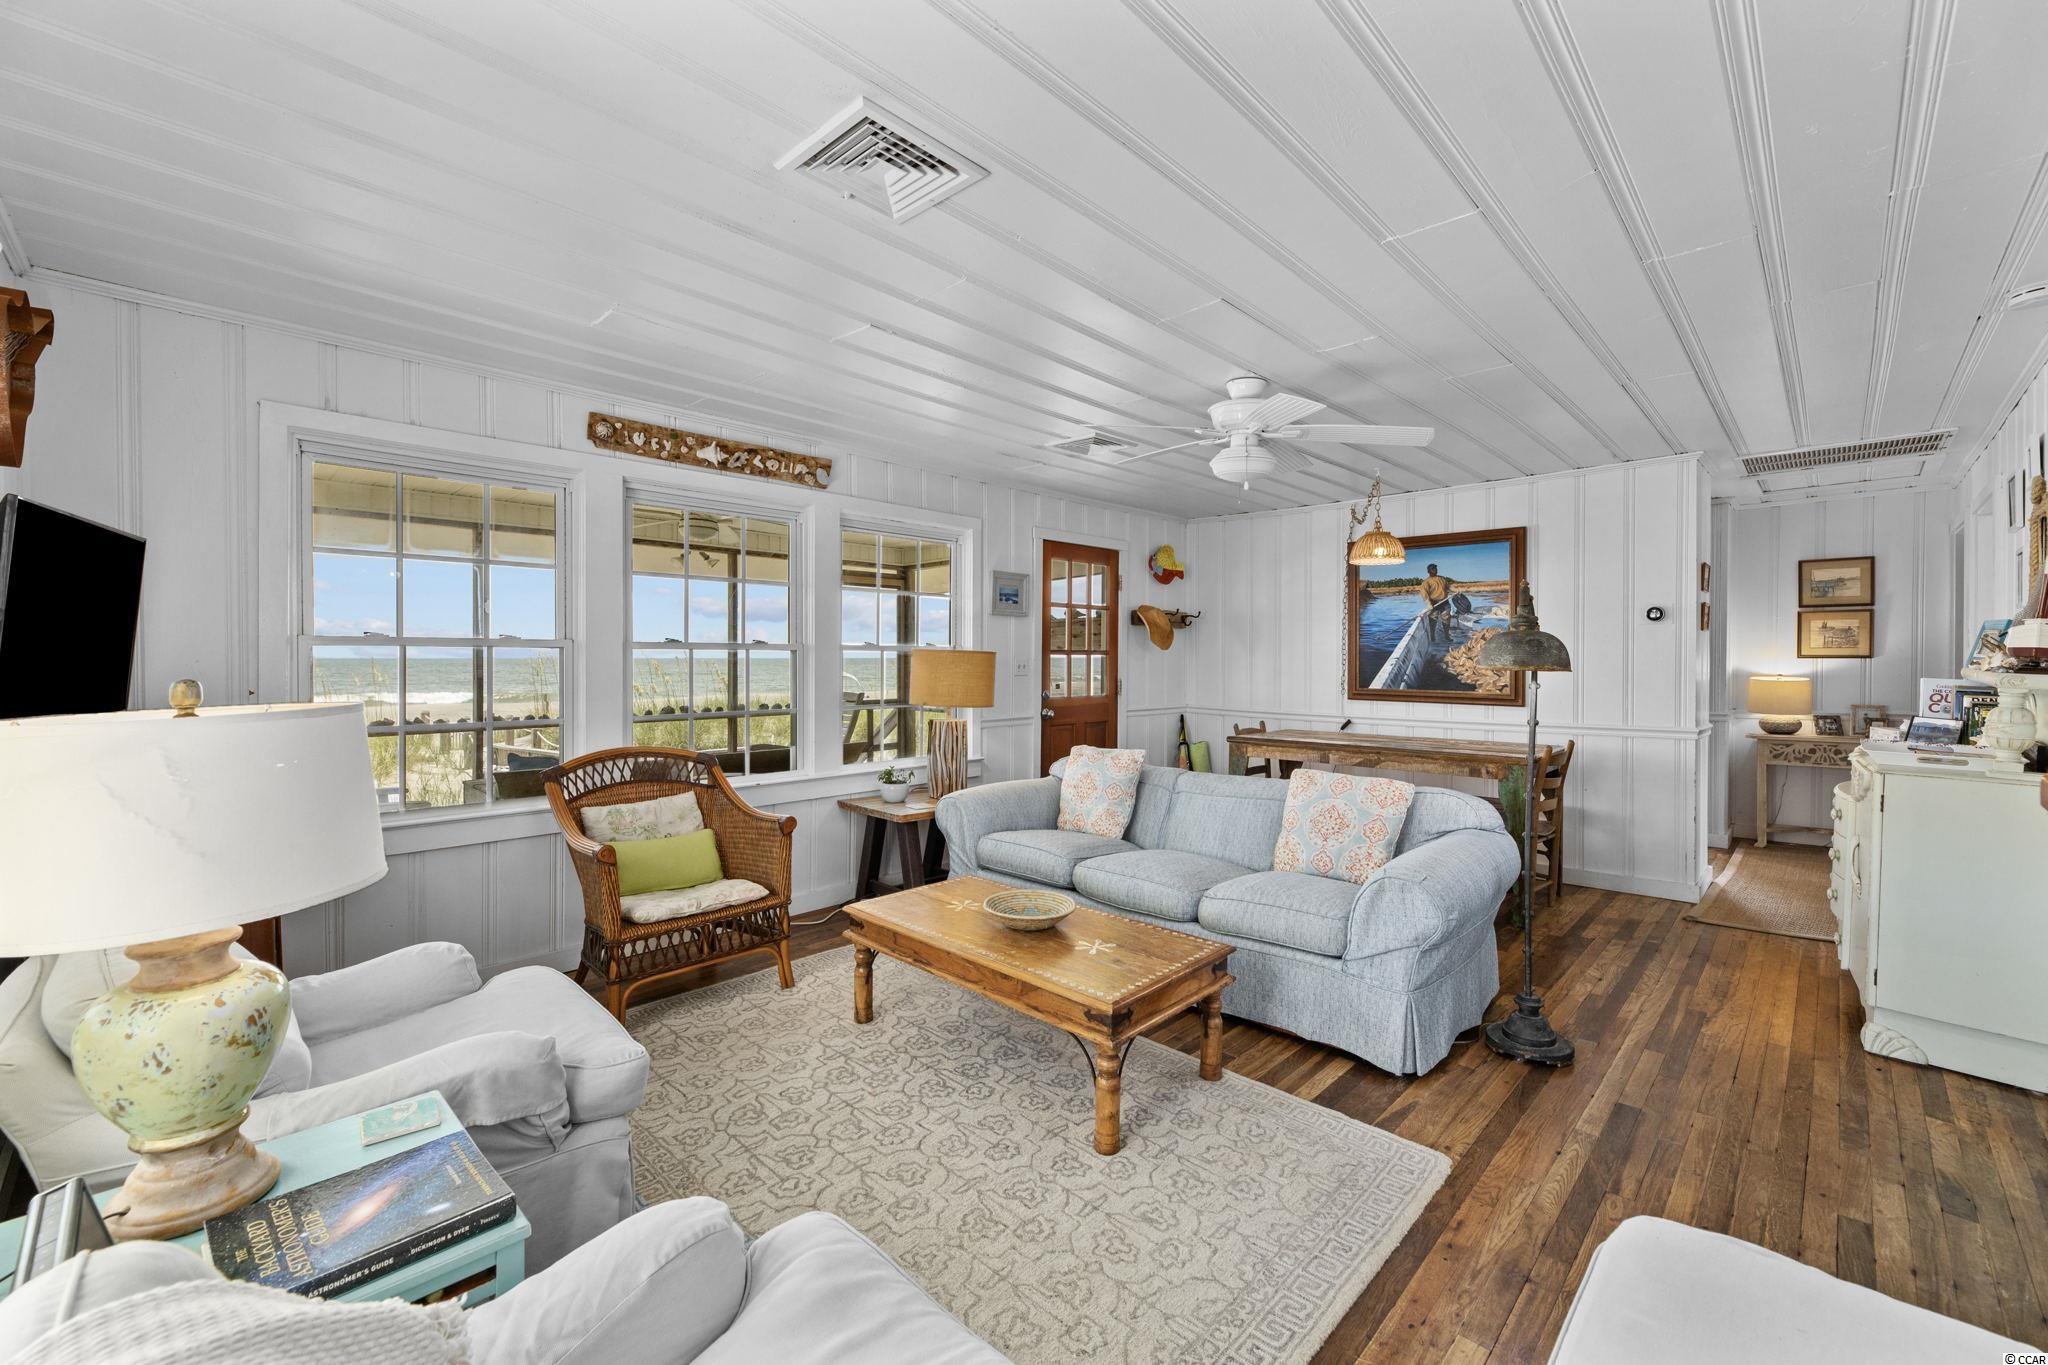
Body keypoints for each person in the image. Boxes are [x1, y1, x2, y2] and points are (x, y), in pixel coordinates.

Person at [1420, 562, 1453, 642]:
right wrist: (1428, 604)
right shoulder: (1426, 582)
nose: (1435, 570)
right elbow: (1424, 594)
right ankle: (1432, 638)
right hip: (1434, 604)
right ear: (1429, 571)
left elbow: (1448, 588)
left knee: (1446, 620)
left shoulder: (1442, 579)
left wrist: (1455, 591)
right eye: (1433, 569)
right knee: (1433, 621)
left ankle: (1447, 636)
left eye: (1435, 568)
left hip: (1445, 602)